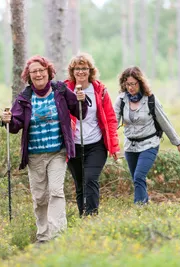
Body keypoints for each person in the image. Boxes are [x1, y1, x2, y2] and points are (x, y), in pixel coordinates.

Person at [1, 55, 87, 243]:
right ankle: (43, 237)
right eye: (34, 72)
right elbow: (15, 125)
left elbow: (79, 110)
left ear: (48, 72)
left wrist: (81, 99)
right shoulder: (24, 97)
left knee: (56, 191)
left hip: (57, 152)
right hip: (34, 155)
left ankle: (57, 236)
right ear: (28, 76)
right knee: (40, 197)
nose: (38, 74)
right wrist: (7, 120)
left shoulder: (60, 91)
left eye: (42, 70)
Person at [114, 66, 180, 204]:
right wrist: (111, 145)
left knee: (138, 176)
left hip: (149, 144)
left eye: (133, 84)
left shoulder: (150, 100)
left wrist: (178, 144)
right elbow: (113, 123)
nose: (130, 87)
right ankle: (145, 204)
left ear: (140, 83)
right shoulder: (121, 100)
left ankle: (139, 207)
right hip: (130, 145)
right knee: (137, 179)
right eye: (127, 84)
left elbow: (165, 122)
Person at [64, 52, 120, 216]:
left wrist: (114, 147)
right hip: (73, 145)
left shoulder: (100, 90)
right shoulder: (65, 90)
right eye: (77, 69)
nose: (80, 72)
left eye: (84, 68)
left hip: (96, 144)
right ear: (72, 71)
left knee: (90, 179)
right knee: (80, 183)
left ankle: (92, 214)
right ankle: (83, 215)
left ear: (90, 71)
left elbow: (110, 118)